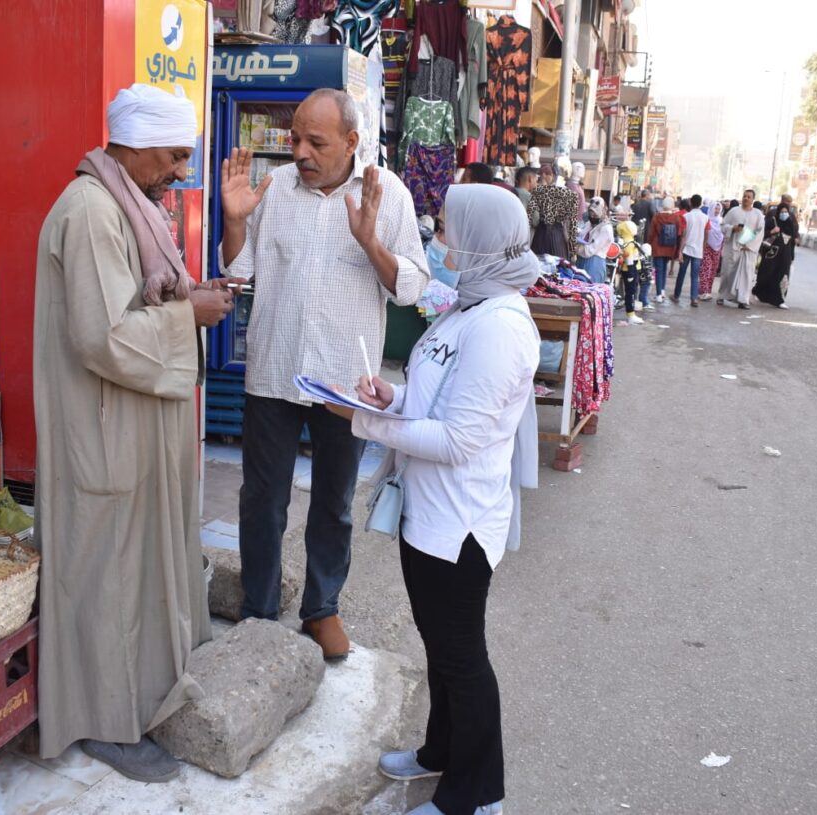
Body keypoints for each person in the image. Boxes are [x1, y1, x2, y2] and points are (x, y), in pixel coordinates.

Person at [33, 83, 237, 780]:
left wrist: (191, 298)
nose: (183, 169)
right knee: (105, 576)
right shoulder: (91, 211)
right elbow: (103, 336)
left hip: (133, 422)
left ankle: (146, 690)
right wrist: (190, 317)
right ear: (141, 143)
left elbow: (137, 302)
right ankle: (102, 721)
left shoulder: (129, 204)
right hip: (103, 428)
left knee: (135, 566)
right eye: (177, 155)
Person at [337, 183, 539, 815]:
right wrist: (388, 400)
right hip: (428, 514)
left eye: (447, 230)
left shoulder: (502, 327)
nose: (438, 239)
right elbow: (434, 401)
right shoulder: (466, 307)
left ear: (479, 241)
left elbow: (458, 438)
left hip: (460, 525)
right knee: (440, 647)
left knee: (461, 656)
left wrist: (361, 422)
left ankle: (476, 796)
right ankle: (439, 752)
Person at [219, 88, 429, 657]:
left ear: (352, 142)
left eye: (317, 141)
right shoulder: (276, 191)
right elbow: (238, 273)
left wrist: (369, 242)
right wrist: (235, 222)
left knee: (334, 500)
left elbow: (411, 286)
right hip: (275, 369)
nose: (301, 152)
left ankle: (321, 609)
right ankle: (259, 610)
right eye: (294, 140)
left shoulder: (390, 196)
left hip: (345, 381)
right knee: (262, 498)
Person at [717, 188, 765, 309]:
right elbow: (723, 226)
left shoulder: (758, 214)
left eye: (749, 197)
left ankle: (743, 300)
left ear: (753, 199)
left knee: (746, 275)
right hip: (732, 248)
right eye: (744, 196)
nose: (746, 198)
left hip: (748, 250)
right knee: (727, 272)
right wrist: (733, 228)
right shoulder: (734, 211)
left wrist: (749, 245)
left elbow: (760, 232)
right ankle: (722, 296)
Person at [527, 164, 580, 258]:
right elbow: (573, 226)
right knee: (557, 269)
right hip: (558, 239)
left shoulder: (538, 191)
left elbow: (530, 217)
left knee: (539, 267)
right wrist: (572, 251)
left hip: (540, 235)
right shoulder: (571, 195)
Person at [752, 201, 797, 308]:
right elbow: (762, 234)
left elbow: (793, 241)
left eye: (786, 212)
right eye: (781, 212)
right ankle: (759, 293)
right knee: (766, 274)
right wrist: (772, 231)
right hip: (771, 255)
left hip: (785, 257)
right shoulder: (772, 222)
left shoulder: (790, 224)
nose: (784, 214)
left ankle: (779, 300)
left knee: (782, 277)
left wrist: (791, 257)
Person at [672, 193, 708, 307]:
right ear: (700, 204)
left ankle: (676, 295)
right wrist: (703, 248)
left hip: (687, 249)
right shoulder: (706, 218)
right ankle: (694, 299)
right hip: (698, 251)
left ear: (691, 203)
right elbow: (707, 234)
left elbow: (683, 235)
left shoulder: (686, 217)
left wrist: (680, 251)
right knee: (695, 275)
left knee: (681, 273)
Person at [573, 196, 614, 284]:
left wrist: (574, 247)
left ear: (602, 212)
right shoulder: (589, 223)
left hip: (594, 265)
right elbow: (581, 235)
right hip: (580, 262)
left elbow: (589, 251)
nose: (592, 216)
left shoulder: (605, 229)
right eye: (590, 213)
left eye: (595, 214)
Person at [649, 195, 683, 302]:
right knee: (664, 269)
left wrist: (648, 244)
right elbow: (679, 234)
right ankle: (662, 290)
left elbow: (651, 233)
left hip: (658, 247)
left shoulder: (657, 217)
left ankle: (659, 294)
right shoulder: (676, 217)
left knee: (659, 270)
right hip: (670, 248)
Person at [616, 219, 645, 324]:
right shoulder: (629, 242)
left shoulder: (628, 240)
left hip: (631, 269)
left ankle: (631, 313)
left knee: (631, 292)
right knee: (630, 292)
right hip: (630, 270)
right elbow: (629, 259)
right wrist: (631, 273)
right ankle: (630, 314)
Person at [699, 200, 724, 301]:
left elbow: (724, 234)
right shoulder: (707, 220)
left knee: (713, 270)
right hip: (707, 247)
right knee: (706, 269)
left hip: (717, 249)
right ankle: (704, 291)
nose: (717, 210)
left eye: (718, 209)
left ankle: (708, 291)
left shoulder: (721, 221)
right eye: (715, 208)